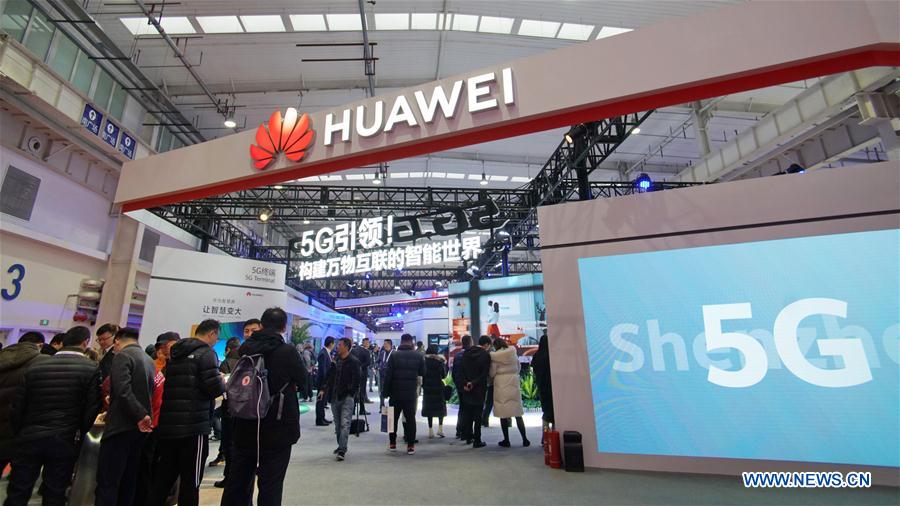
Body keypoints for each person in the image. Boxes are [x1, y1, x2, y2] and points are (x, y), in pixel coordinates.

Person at [5, 326, 102, 506]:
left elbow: (18, 406)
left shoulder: (37, 365)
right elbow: (90, 410)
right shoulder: (90, 369)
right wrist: (79, 437)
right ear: (85, 343)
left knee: (18, 491)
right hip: (64, 438)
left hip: (29, 436)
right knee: (55, 493)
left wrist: (19, 433)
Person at [223, 307, 306, 506]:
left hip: (244, 423)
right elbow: (305, 382)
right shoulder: (287, 352)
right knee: (271, 484)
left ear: (261, 325)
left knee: (238, 482)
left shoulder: (244, 350)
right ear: (284, 327)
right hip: (277, 427)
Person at [148, 319, 224, 506]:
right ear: (212, 333)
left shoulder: (176, 353)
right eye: (217, 337)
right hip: (194, 426)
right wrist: (222, 381)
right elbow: (214, 387)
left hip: (169, 425)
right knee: (191, 481)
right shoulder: (207, 353)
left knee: (164, 478)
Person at [95, 328, 156, 506]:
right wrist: (144, 416)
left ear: (117, 341)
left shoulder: (123, 356)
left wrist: (139, 414)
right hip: (138, 430)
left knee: (108, 481)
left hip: (120, 427)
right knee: (128, 480)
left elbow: (122, 390)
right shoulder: (148, 360)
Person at [133, 332, 180, 506]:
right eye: (163, 347)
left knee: (164, 465)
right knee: (147, 464)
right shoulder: (152, 367)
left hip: (168, 424)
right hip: (152, 424)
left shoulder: (178, 366)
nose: (166, 350)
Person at [0, 332, 49, 474]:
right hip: (19, 430)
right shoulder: (42, 362)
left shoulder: (2, 355)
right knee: (19, 478)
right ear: (40, 345)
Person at [382, 334, 425, 454]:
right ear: (411, 342)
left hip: (395, 393)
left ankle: (392, 444)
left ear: (401, 342)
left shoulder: (394, 355)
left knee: (392, 419)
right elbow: (423, 372)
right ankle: (410, 446)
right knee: (410, 420)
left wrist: (385, 392)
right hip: (410, 394)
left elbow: (388, 375)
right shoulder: (418, 355)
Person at [318, 338, 359, 461]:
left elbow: (357, 379)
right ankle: (340, 445)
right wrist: (323, 389)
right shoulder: (336, 360)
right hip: (335, 396)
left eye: (340, 345)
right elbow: (329, 375)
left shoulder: (354, 361)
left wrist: (351, 392)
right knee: (337, 425)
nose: (337, 347)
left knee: (345, 423)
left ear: (346, 347)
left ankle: (342, 449)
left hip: (347, 397)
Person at [490, 338, 530, 447]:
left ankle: (506, 440)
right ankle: (525, 439)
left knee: (503, 414)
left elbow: (492, 373)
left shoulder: (495, 357)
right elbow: (518, 367)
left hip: (501, 384)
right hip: (513, 382)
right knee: (517, 414)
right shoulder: (513, 353)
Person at [459, 336, 492, 448]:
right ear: (486, 345)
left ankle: (469, 436)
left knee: (468, 413)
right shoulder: (485, 355)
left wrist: (466, 383)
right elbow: (484, 373)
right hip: (479, 388)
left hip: (467, 388)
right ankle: (477, 440)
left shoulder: (466, 353)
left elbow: (461, 371)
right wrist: (474, 383)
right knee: (478, 414)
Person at [422, 344, 448, 439]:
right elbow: (444, 375)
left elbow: (422, 374)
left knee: (429, 409)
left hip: (428, 388)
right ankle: (440, 429)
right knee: (440, 408)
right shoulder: (440, 361)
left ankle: (430, 430)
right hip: (438, 387)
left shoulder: (424, 362)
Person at [531, 333, 554, 433]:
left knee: (546, 412)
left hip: (542, 386)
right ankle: (554, 434)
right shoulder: (552, 355)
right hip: (553, 386)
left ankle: (545, 435)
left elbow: (534, 369)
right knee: (555, 412)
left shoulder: (537, 355)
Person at [451, 335, 472, 439]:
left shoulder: (457, 355)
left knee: (462, 408)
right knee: (469, 409)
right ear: (470, 342)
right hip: (469, 385)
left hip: (459, 385)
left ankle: (459, 431)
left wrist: (457, 384)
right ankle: (466, 433)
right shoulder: (471, 354)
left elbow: (454, 373)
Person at [315, 337, 336, 426]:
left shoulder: (326, 352)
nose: (334, 345)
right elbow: (322, 371)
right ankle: (319, 420)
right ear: (331, 344)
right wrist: (324, 384)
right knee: (320, 400)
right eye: (334, 343)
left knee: (323, 401)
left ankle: (322, 417)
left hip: (325, 382)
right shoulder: (323, 353)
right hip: (322, 382)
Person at [351, 338, 372, 409]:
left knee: (354, 390)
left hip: (354, 373)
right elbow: (368, 362)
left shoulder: (354, 350)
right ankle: (362, 409)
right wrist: (360, 366)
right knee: (362, 391)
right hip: (363, 373)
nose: (369, 344)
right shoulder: (366, 351)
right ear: (365, 343)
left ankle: (353, 408)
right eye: (368, 343)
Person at [376, 339, 394, 407]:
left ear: (390, 345)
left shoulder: (394, 353)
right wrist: (377, 367)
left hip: (391, 376)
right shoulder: (382, 352)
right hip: (382, 375)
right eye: (384, 344)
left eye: (385, 344)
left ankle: (391, 407)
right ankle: (382, 405)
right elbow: (378, 361)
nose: (384, 345)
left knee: (391, 391)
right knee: (381, 391)